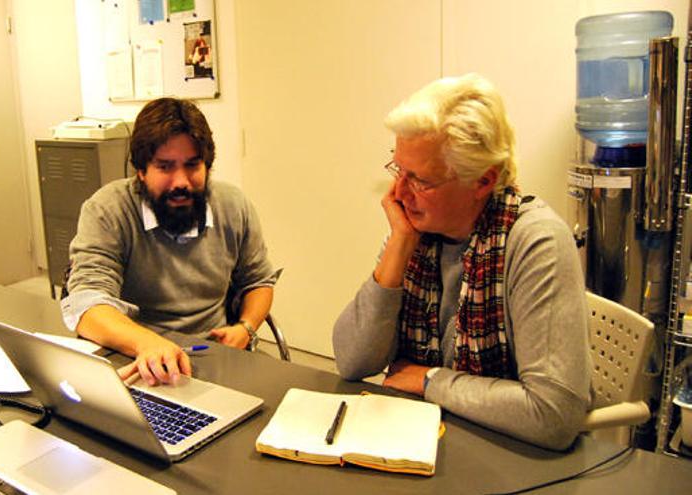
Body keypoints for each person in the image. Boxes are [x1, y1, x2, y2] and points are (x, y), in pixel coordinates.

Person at [332, 74, 591, 450]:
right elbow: (352, 361)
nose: (399, 193)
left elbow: (552, 414)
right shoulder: (416, 230)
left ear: (483, 181)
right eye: (397, 170)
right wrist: (400, 245)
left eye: (420, 180)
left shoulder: (536, 241)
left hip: (505, 455)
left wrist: (429, 381)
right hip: (422, 441)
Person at [62, 97, 279, 386]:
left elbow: (259, 281)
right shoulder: (108, 210)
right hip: (135, 360)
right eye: (165, 167)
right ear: (141, 170)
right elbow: (87, 305)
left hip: (216, 358)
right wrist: (146, 343)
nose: (181, 181)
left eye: (192, 165)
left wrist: (246, 328)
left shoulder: (234, 205)